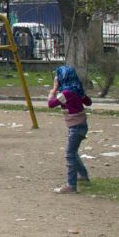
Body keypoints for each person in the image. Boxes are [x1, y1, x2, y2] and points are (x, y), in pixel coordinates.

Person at [48, 65, 92, 194]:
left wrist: (54, 89)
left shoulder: (66, 94)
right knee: (73, 152)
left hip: (75, 127)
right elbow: (88, 102)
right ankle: (83, 176)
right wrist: (82, 94)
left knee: (69, 154)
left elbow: (50, 104)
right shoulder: (76, 90)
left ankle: (71, 185)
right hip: (81, 124)